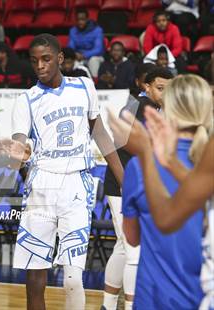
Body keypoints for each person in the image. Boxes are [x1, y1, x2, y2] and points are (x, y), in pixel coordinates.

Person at [11, 33, 124, 310]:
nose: (40, 65)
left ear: (60, 58)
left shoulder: (84, 86)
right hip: (42, 184)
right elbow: (17, 145)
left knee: (73, 276)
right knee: (35, 271)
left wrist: (123, 176)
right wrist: (17, 157)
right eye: (34, 60)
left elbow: (99, 132)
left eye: (46, 59)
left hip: (77, 183)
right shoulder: (26, 99)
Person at [109, 74, 213, 310]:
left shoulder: (140, 165)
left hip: (153, 298)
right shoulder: (204, 162)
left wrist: (147, 154)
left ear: (167, 110)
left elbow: (132, 238)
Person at [101, 66, 173, 310]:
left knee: (123, 247)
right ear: (147, 86)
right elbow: (122, 143)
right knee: (134, 251)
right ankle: (132, 306)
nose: (165, 93)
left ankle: (108, 305)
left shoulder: (154, 109)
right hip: (124, 183)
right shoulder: (138, 106)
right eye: (160, 88)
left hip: (133, 184)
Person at [67, 8, 104, 78]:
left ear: (87, 19)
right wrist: (75, 54)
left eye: (83, 19)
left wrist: (84, 55)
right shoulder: (73, 31)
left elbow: (98, 49)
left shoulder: (97, 30)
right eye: (78, 20)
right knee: (70, 61)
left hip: (94, 57)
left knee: (93, 61)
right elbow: (70, 47)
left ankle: (95, 83)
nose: (80, 22)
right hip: (78, 57)